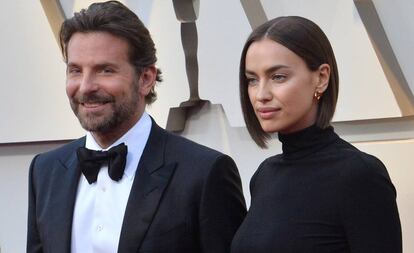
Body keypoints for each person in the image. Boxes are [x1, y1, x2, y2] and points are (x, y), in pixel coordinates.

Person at [27, 1, 246, 252]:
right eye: (75, 70)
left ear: (145, 79)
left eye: (105, 70)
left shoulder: (204, 173)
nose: (85, 86)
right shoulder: (44, 171)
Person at [231, 16, 402, 253]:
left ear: (321, 78)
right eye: (252, 80)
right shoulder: (264, 175)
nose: (261, 94)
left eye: (278, 77)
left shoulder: (360, 175)